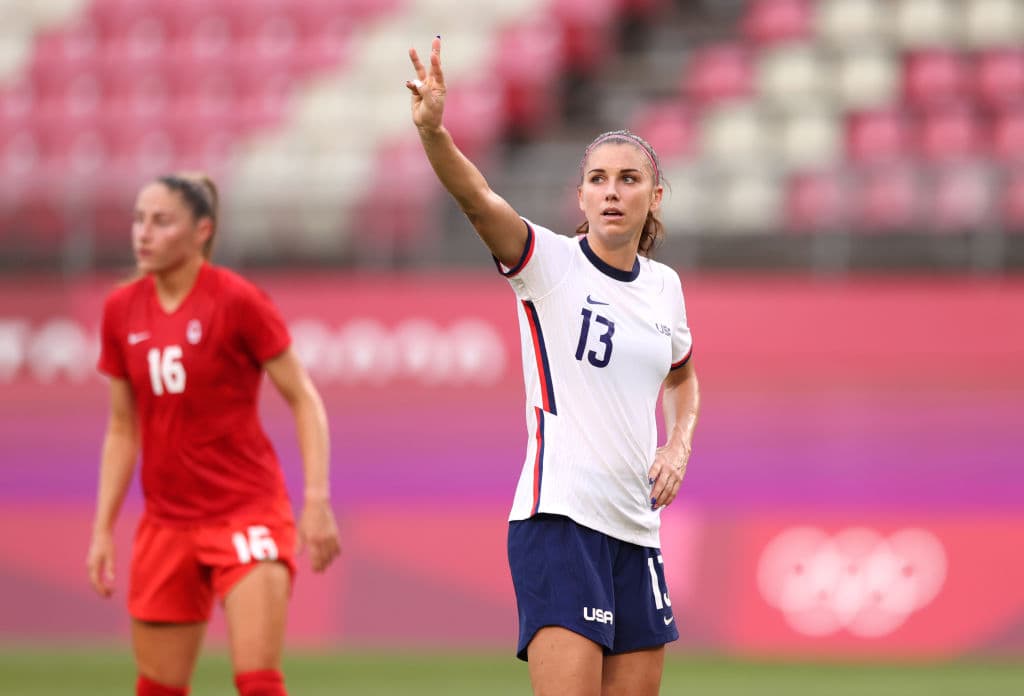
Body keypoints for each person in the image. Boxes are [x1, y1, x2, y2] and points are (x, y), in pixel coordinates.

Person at [406, 38, 701, 696]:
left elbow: (683, 376)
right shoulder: (549, 266)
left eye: (629, 179)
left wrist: (678, 442)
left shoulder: (665, 288)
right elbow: (480, 200)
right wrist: (434, 133)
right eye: (598, 179)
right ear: (581, 197)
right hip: (561, 523)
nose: (612, 191)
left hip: (637, 531)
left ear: (657, 196)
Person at [85, 173, 341, 696]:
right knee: (157, 688)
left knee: (257, 683)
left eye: (161, 221)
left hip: (247, 513)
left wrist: (315, 500)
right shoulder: (120, 309)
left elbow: (304, 399)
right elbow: (121, 426)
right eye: (138, 220)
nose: (143, 233)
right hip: (166, 525)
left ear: (202, 230)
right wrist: (102, 528)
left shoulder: (237, 301)